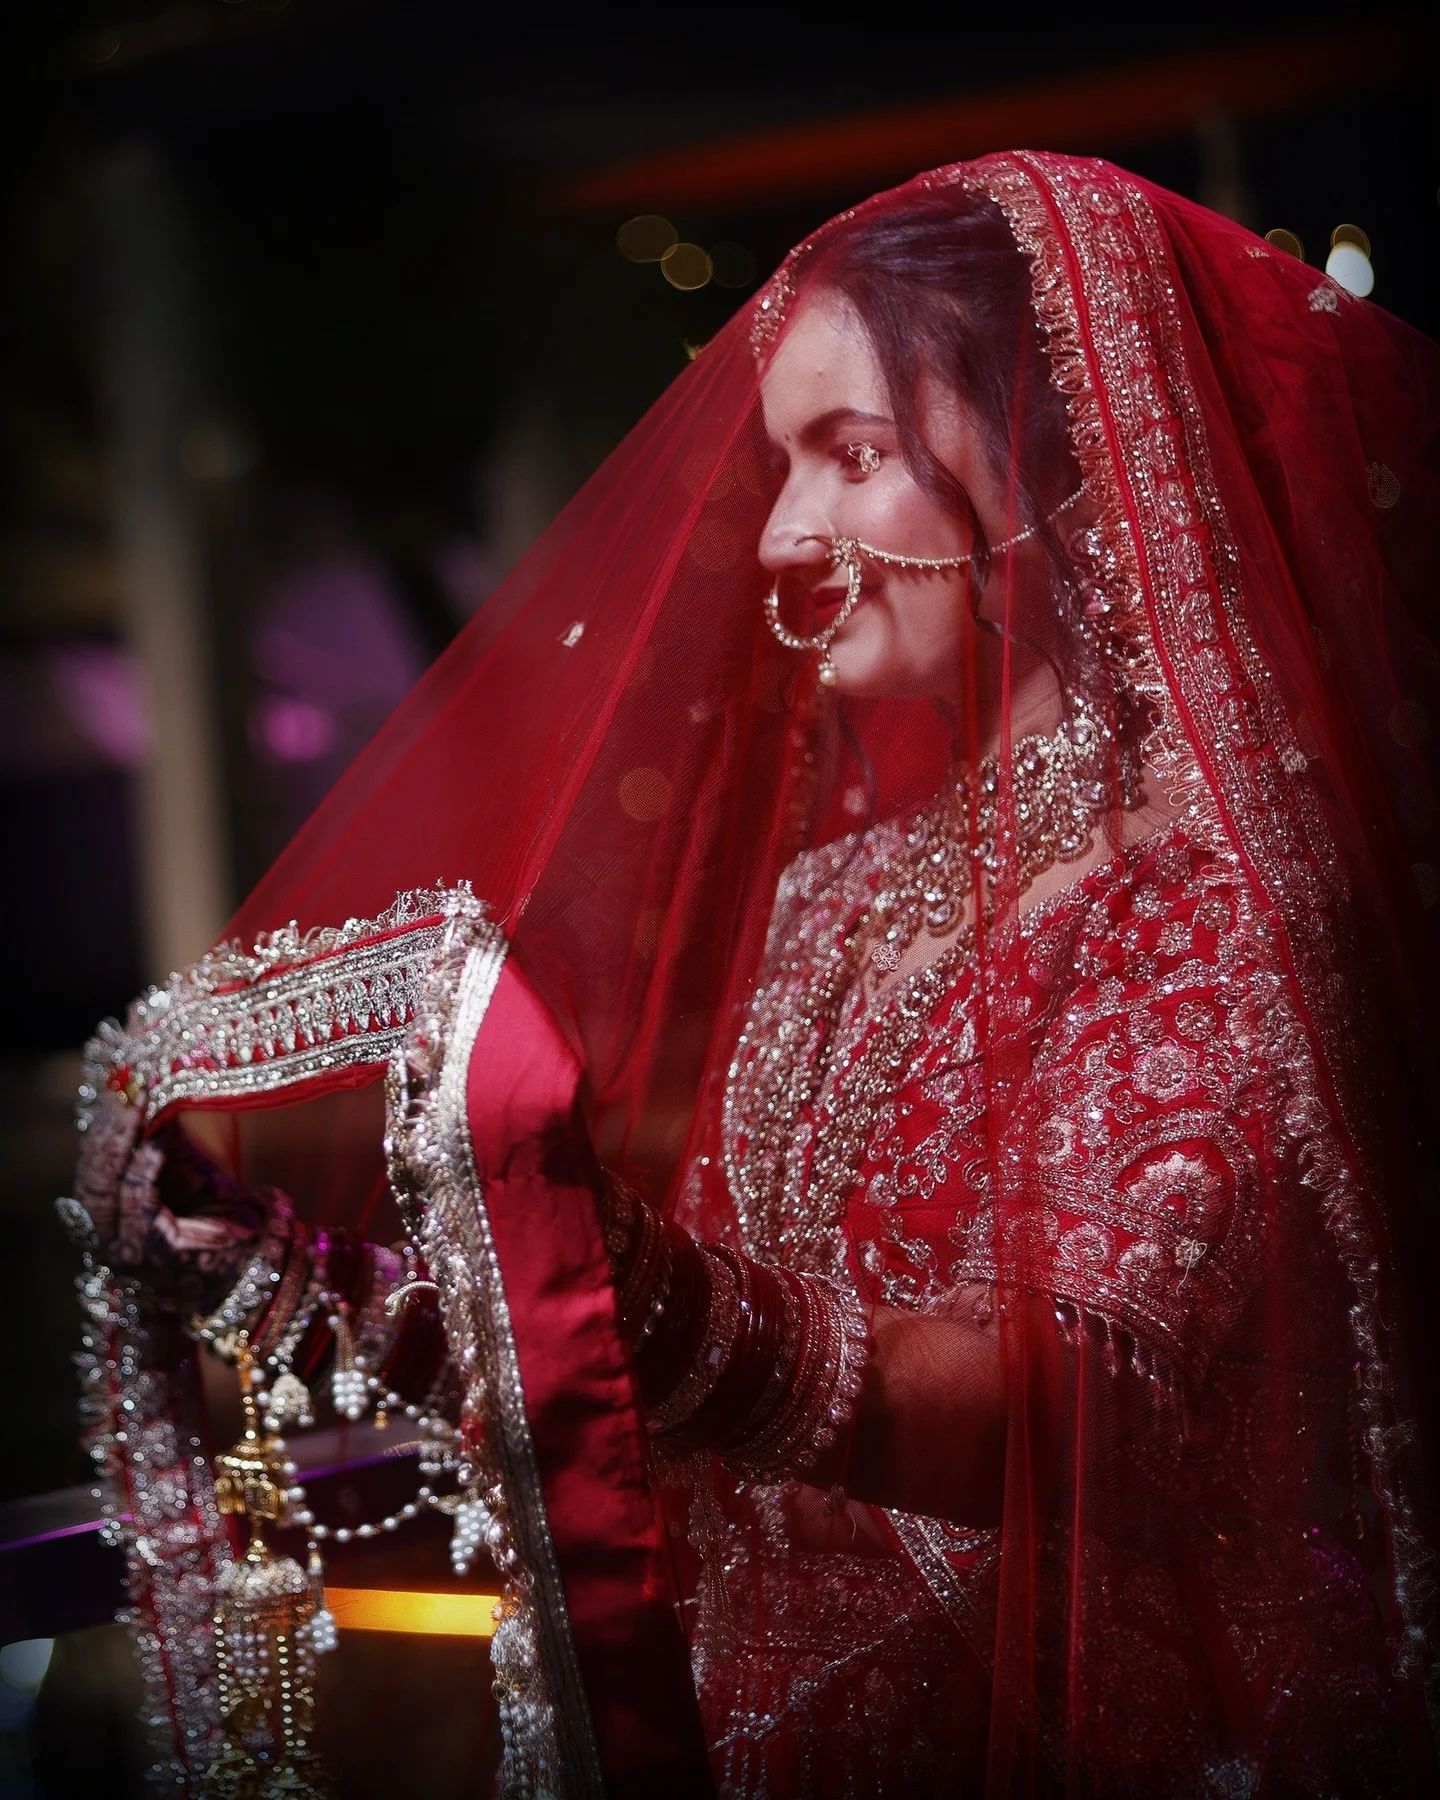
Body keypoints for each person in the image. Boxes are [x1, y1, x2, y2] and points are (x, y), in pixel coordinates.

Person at [64, 152, 1440, 1797]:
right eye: (788, 465)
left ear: (1056, 461)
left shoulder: (1219, 897)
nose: (786, 532)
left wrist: (613, 1261)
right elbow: (683, 1376)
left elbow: (1067, 1398)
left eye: (853, 456)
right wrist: (301, 1282)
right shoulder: (831, 894)